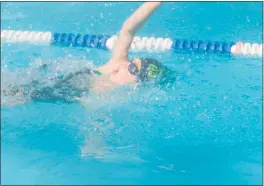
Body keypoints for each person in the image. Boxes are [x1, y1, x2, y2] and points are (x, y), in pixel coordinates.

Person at [2, 2, 170, 105]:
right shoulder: (117, 63)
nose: (127, 63)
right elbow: (128, 29)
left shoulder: (111, 94)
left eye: (133, 69)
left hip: (51, 93)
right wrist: (155, 3)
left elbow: (94, 117)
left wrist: (93, 145)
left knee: (16, 96)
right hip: (52, 76)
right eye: (132, 60)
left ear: (136, 83)